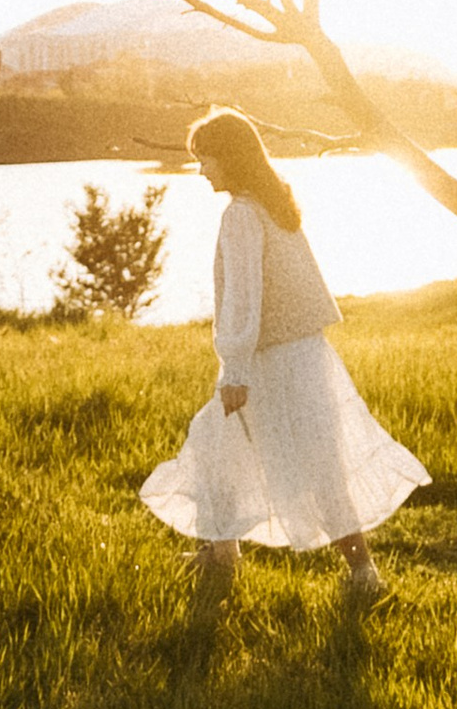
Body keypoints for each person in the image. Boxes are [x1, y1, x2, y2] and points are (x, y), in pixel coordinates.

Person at [140, 108, 428, 597]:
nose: (201, 170)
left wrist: (234, 367)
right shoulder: (275, 203)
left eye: (206, 160)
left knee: (273, 456)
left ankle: (359, 573)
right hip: (305, 354)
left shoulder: (241, 214)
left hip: (266, 361)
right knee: (243, 450)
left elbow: (244, 297)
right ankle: (227, 554)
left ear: (229, 159)